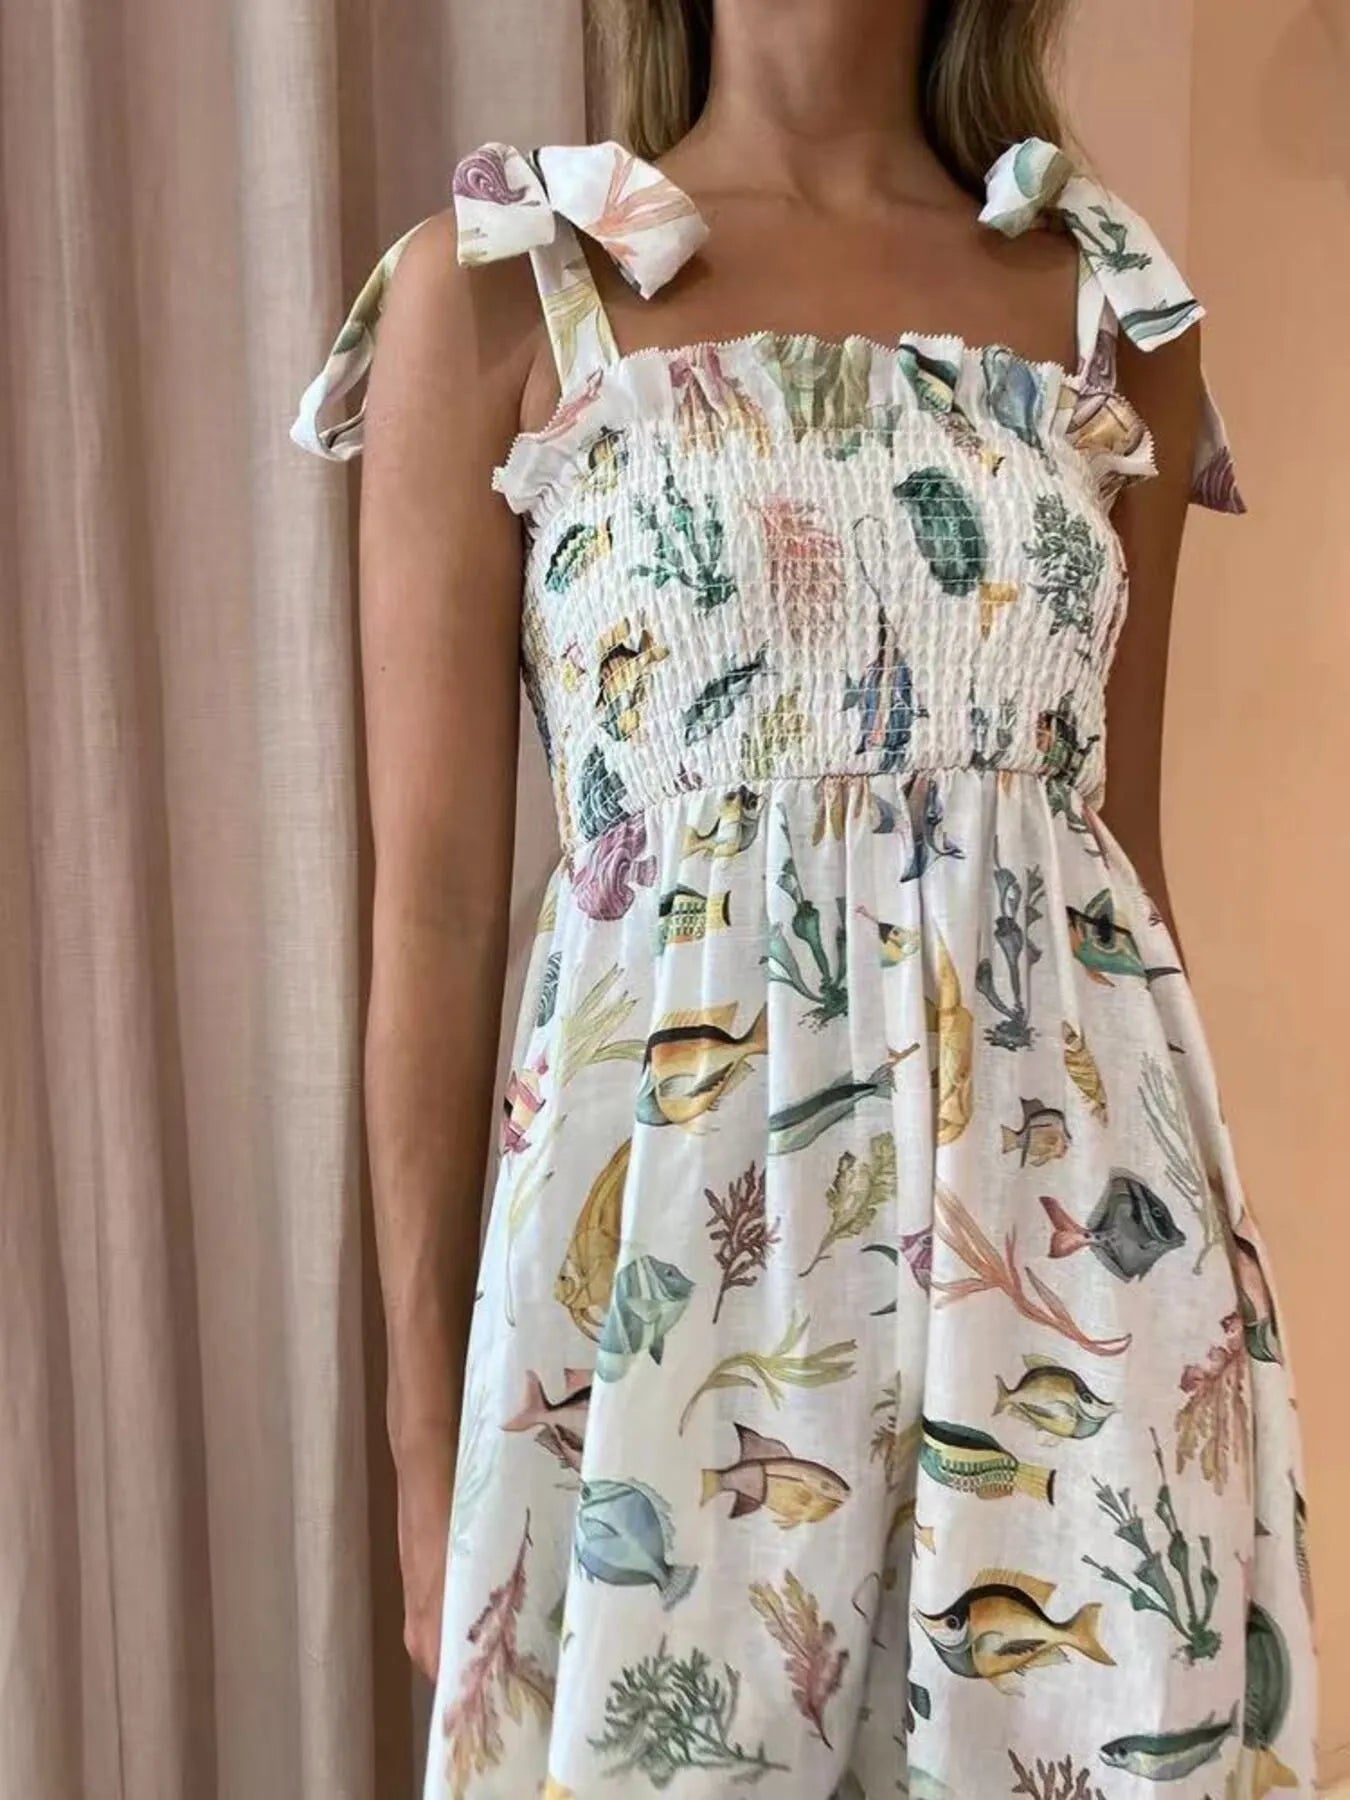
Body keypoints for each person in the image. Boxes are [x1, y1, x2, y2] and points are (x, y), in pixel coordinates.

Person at [294, 1, 1317, 1793]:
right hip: (668, 1301)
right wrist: (420, 1445)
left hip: (1068, 1278)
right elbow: (434, 923)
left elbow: (1116, 870)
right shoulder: (504, 288)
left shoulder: (1109, 308)